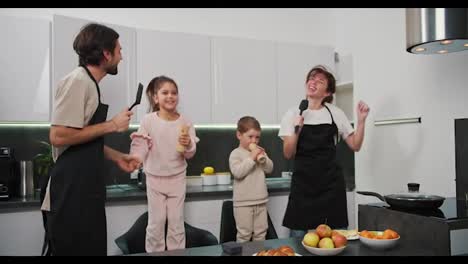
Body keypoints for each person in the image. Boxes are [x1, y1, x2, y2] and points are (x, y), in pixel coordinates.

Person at [39, 23, 141, 256]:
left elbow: (81, 138)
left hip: (84, 191)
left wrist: (116, 157)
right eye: (119, 50)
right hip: (69, 193)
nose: (121, 57)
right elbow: (58, 136)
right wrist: (112, 124)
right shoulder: (78, 81)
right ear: (106, 53)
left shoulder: (91, 85)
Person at [279, 65, 369, 238]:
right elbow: (288, 153)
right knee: (298, 234)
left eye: (320, 81)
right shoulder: (292, 114)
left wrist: (361, 121)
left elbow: (355, 145)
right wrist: (297, 128)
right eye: (312, 78)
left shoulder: (336, 113)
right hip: (303, 184)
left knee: (338, 235)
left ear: (327, 93)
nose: (313, 82)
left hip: (331, 184)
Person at [129, 75, 199, 252]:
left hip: (177, 178)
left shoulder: (185, 121)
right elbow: (140, 144)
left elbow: (190, 154)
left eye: (174, 93)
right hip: (154, 178)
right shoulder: (148, 121)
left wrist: (188, 144)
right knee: (156, 223)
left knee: (176, 224)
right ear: (155, 97)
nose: (170, 96)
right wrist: (136, 158)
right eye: (165, 92)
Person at [229, 116, 274, 242]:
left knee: (261, 234)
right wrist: (251, 158)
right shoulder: (235, 154)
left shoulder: (259, 152)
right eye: (250, 137)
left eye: (257, 137)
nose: (254, 140)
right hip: (243, 203)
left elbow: (269, 169)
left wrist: (263, 158)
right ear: (239, 135)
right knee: (244, 235)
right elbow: (238, 172)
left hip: (261, 201)